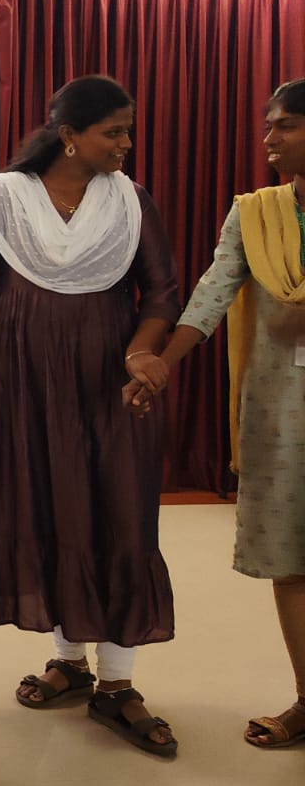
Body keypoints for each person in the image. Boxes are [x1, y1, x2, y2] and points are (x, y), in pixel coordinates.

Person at [0, 75, 181, 757]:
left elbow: (161, 290)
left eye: (127, 130)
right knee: (50, 504)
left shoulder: (130, 200)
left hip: (112, 379)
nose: (126, 143)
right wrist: (27, 331)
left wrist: (138, 352)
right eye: (114, 131)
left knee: (118, 510)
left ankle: (118, 683)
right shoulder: (4, 197)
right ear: (68, 135)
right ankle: (71, 662)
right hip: (24, 382)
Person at [125, 79, 305, 749]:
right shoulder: (256, 213)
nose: (268, 139)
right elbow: (211, 293)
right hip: (281, 408)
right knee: (291, 557)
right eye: (269, 124)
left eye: (285, 125)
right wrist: (161, 363)